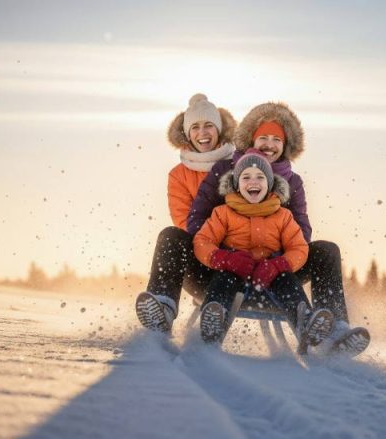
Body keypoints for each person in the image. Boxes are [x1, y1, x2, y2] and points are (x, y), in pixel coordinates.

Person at [188, 102, 370, 355]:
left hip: (276, 269)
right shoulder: (224, 172)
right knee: (183, 243)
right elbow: (197, 222)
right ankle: (203, 323)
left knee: (327, 250)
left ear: (286, 146)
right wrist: (225, 256)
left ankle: (333, 333)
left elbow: (301, 237)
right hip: (226, 266)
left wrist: (277, 262)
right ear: (251, 138)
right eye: (263, 137)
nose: (269, 144)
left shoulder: (292, 185)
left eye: (277, 139)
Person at [193, 149, 334, 347]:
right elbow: (202, 241)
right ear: (236, 184)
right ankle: (214, 318)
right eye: (246, 177)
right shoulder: (223, 213)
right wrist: (224, 259)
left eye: (260, 177)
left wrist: (279, 265)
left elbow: (299, 247)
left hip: (270, 279)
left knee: (287, 281)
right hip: (234, 272)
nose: (253, 181)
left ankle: (306, 322)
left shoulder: (283, 215)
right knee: (223, 280)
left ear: (269, 185)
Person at [135, 94, 236, 332]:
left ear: (219, 129)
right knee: (171, 235)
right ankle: (163, 306)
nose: (203, 132)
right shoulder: (179, 175)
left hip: (238, 263)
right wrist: (213, 244)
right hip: (201, 263)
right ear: (187, 134)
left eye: (209, 125)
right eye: (196, 127)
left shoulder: (240, 165)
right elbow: (184, 223)